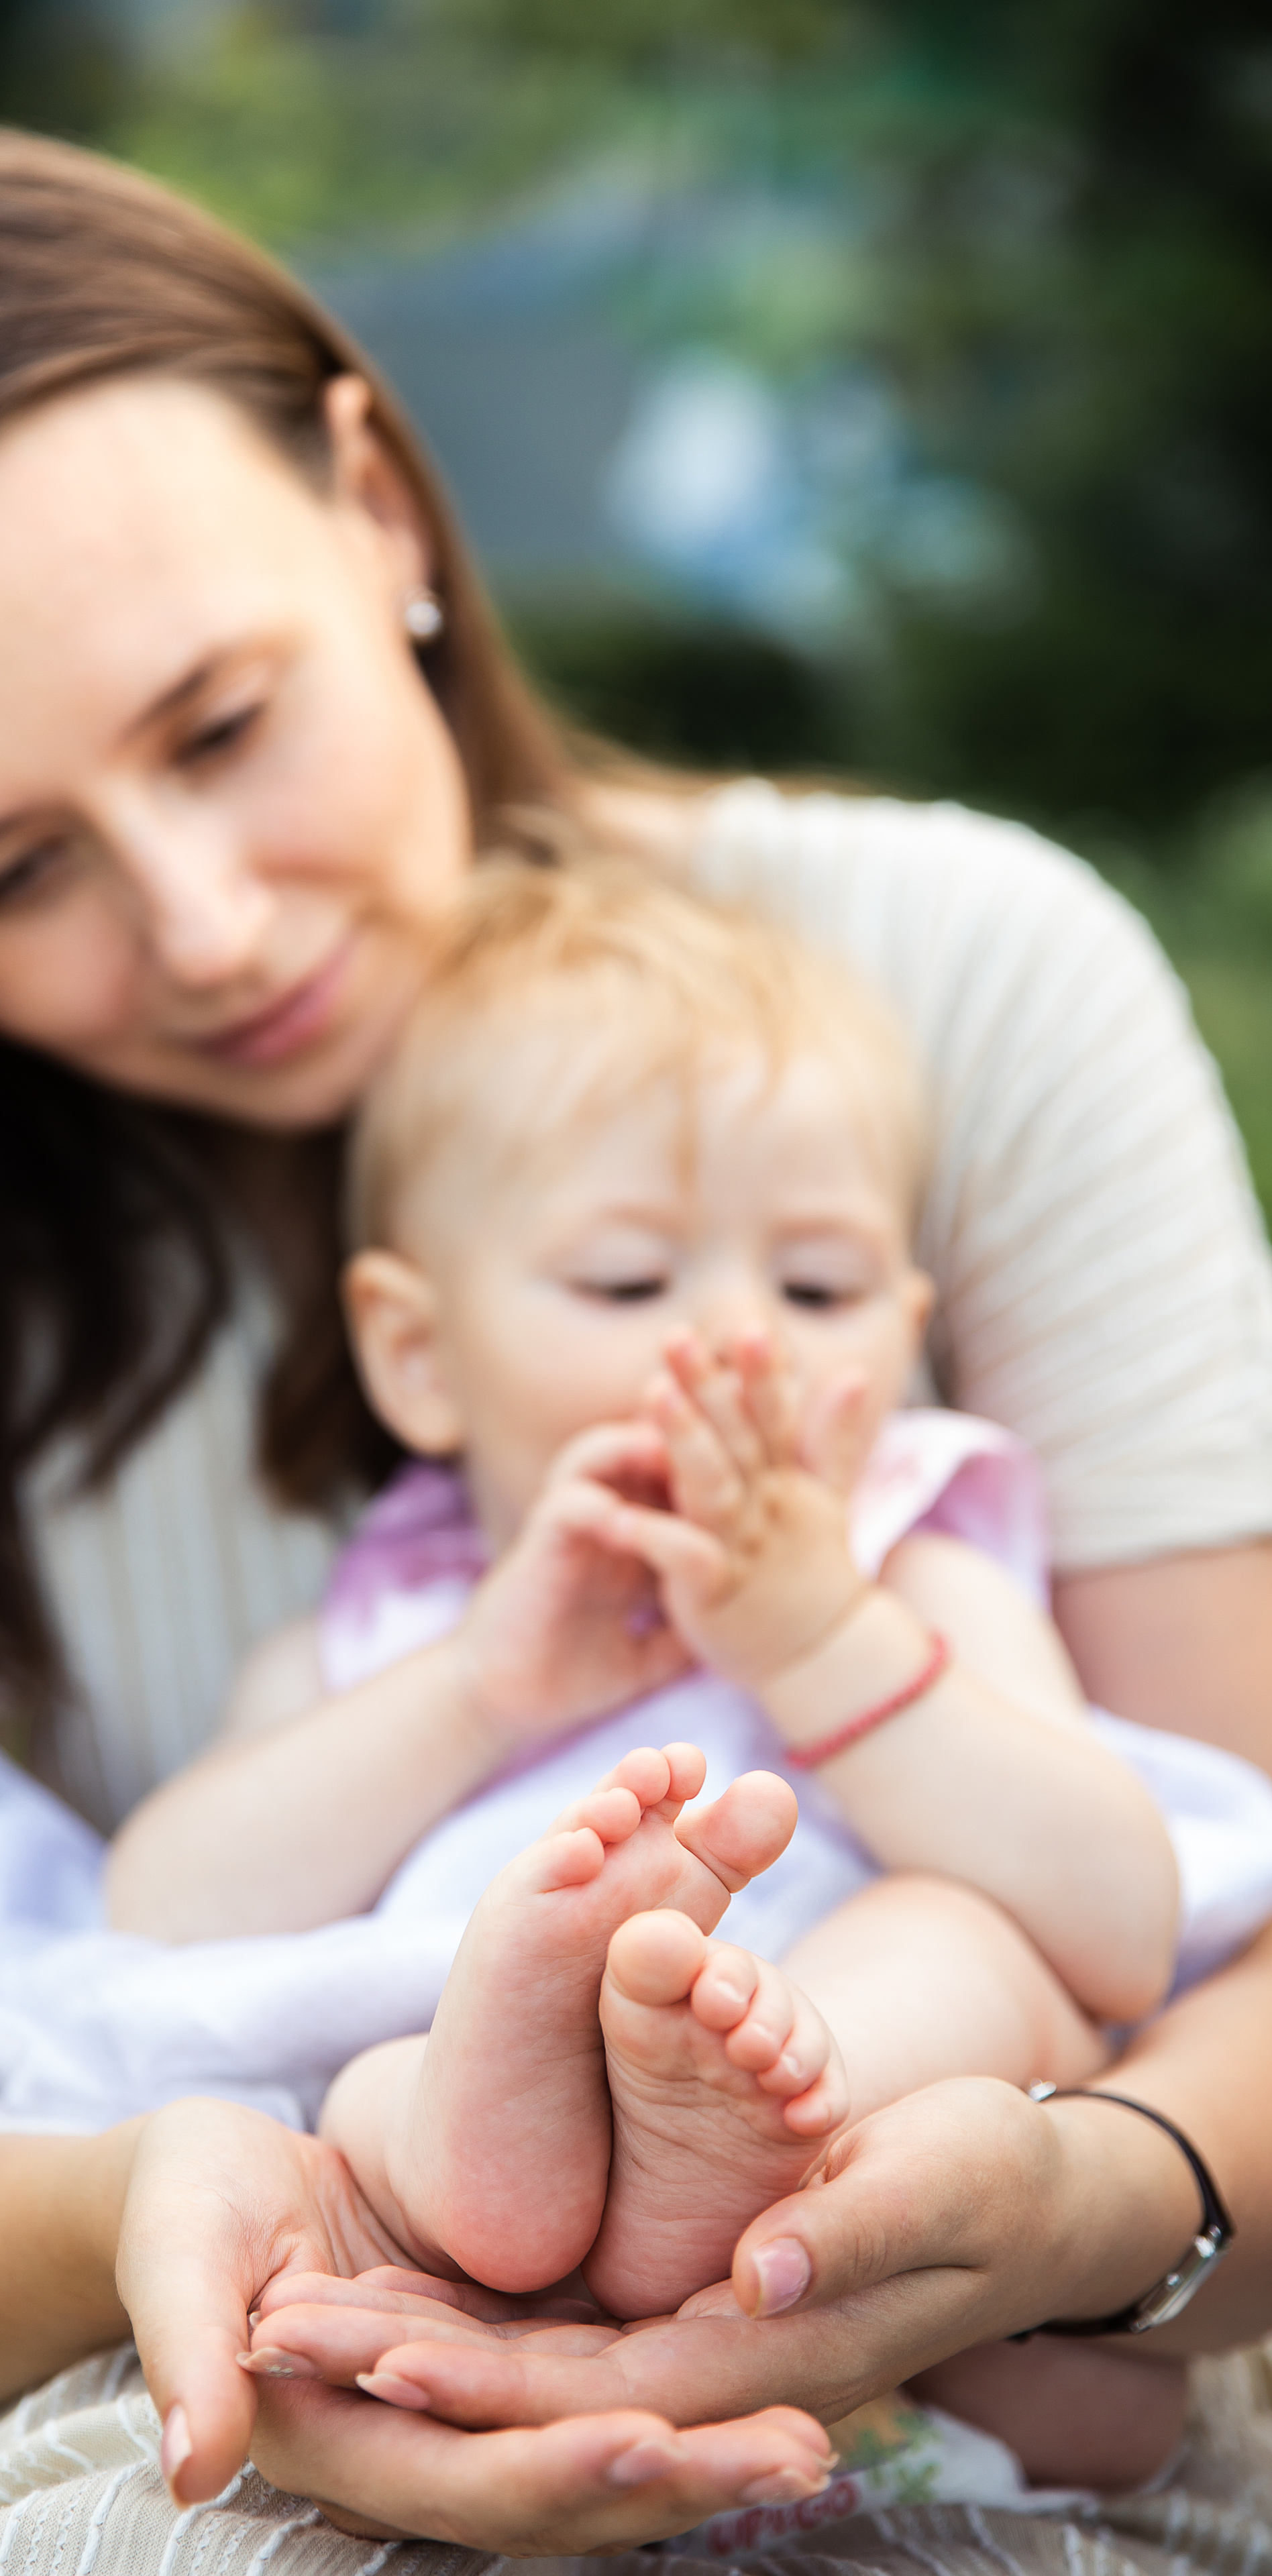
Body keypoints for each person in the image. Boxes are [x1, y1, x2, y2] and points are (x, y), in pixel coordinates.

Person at [0, 111, 1272, 2576]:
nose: (209, 924)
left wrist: (1078, 2203)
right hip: (201, 2326)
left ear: (376, 510)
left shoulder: (941, 995)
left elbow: (1213, 1926)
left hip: (977, 2315)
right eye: (8, 872)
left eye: (225, 723)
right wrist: (187, 2195)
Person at [114, 859, 1245, 2489]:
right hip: (481, 2213)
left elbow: (1115, 1915)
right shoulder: (406, 1627)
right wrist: (480, 1696)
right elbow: (161, 1913)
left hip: (878, 2206)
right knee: (362, 2060)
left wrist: (814, 1637)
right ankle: (500, 2155)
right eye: (630, 1281)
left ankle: (770, 2125)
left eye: (816, 1286)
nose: (742, 1343)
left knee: (972, 1943)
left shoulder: (903, 1554)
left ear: (904, 1334)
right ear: (418, 1356)